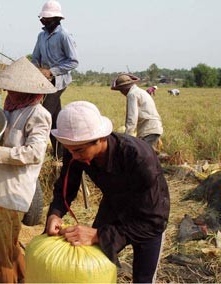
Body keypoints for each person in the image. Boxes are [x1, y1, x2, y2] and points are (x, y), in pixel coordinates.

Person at [45, 101, 170, 283]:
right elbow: (66, 186)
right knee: (95, 265)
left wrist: (98, 235)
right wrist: (55, 213)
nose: (74, 156)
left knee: (143, 278)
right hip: (113, 205)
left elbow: (154, 222)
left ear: (101, 138)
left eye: (78, 150)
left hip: (147, 217)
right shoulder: (75, 149)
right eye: (69, 149)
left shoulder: (139, 158)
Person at [0, 57, 56, 283]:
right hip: (1, 189)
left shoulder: (38, 114)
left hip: (14, 192)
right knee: (11, 246)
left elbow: (34, 153)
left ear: (25, 90)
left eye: (12, 88)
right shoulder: (11, 109)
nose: (7, 91)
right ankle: (25, 279)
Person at [31, 0, 78, 159]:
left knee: (45, 114)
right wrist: (35, 69)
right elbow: (35, 57)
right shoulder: (41, 36)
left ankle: (36, 152)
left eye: (47, 19)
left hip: (58, 82)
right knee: (55, 117)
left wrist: (51, 71)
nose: (43, 21)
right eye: (43, 18)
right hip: (45, 82)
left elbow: (73, 61)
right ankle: (60, 154)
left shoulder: (64, 36)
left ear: (57, 19)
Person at [111, 73, 163, 152]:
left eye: (120, 90)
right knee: (148, 152)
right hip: (154, 127)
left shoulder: (132, 95)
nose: (121, 93)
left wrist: (126, 137)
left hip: (148, 129)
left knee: (141, 154)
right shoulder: (140, 91)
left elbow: (132, 118)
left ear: (123, 88)